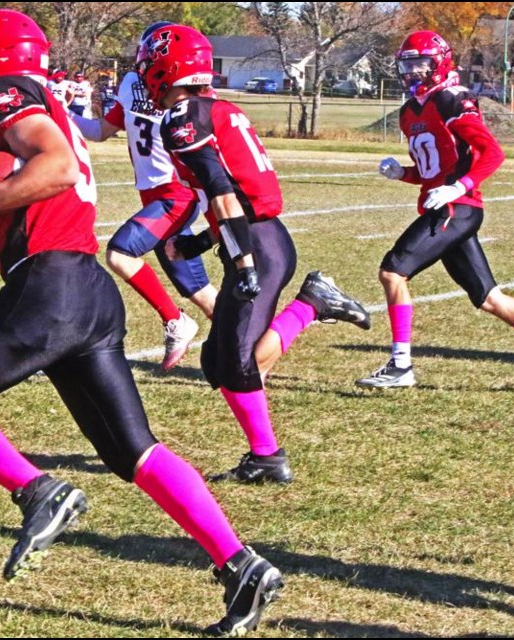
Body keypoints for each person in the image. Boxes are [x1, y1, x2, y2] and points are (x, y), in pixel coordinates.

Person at [0, 9, 283, 636]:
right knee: (137, 452)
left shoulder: (6, 92)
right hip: (85, 290)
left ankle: (36, 491)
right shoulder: (42, 98)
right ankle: (240, 564)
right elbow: (6, 228)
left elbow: (55, 168)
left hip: (53, 288)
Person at [138, 24, 371, 483]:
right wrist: (204, 242)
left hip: (257, 246)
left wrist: (242, 262)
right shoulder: (215, 108)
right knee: (216, 362)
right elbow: (236, 193)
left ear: (168, 67)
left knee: (236, 363)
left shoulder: (182, 115)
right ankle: (313, 304)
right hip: (258, 238)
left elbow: (224, 190)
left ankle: (267, 456)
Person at [355, 31, 514, 391]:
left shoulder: (451, 99)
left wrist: (458, 187)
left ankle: (401, 365)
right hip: (445, 204)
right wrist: (403, 173)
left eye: (420, 63)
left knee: (392, 273)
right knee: (489, 299)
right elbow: (433, 172)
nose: (413, 71)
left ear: (440, 62)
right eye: (407, 64)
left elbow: (492, 153)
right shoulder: (409, 111)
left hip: (456, 208)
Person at [69, 21, 217, 371]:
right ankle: (256, 344)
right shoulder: (133, 85)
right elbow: (102, 131)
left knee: (120, 254)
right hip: (154, 196)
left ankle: (175, 322)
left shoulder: (192, 93)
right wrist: (62, 111)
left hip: (177, 194)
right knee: (201, 292)